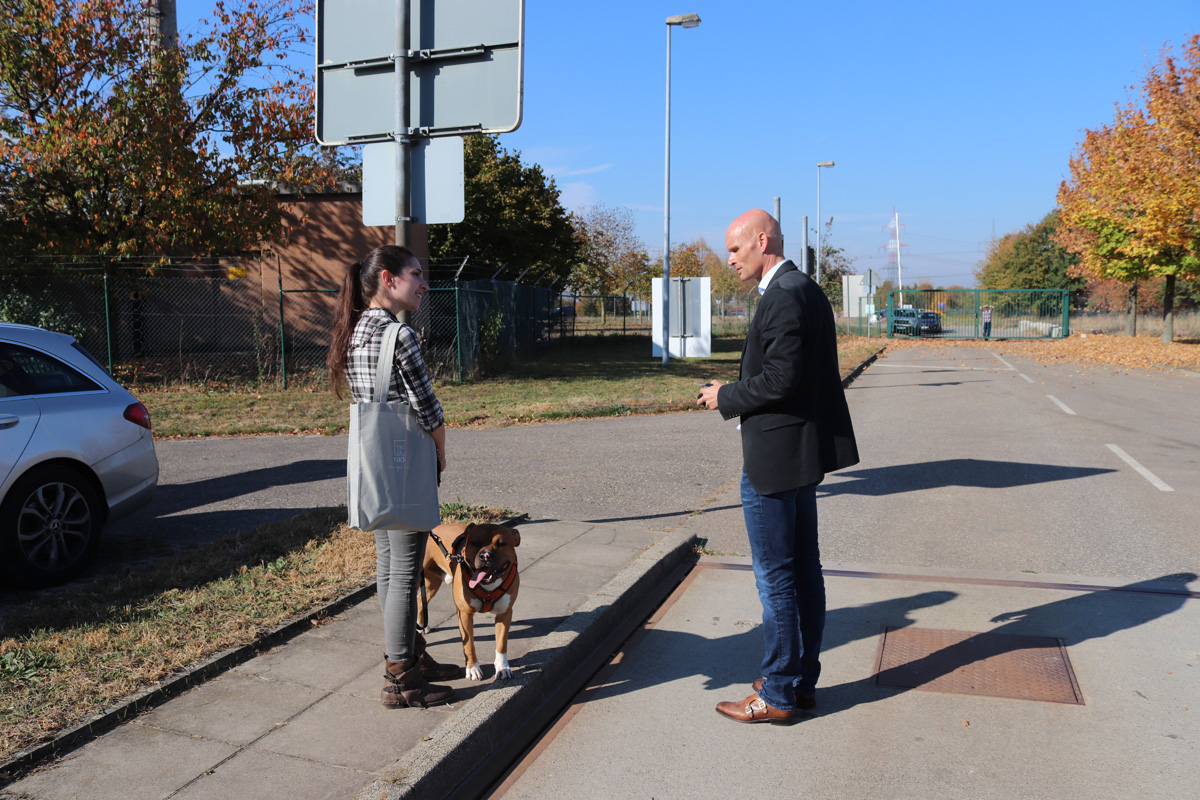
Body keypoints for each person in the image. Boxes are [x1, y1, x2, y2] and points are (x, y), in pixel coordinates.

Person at [697, 209, 859, 725]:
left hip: (775, 459)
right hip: (798, 455)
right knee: (803, 572)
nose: (730, 259)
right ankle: (799, 681)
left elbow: (782, 379)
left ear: (761, 241)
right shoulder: (805, 288)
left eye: (735, 249)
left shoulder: (784, 293)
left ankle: (781, 692)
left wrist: (726, 394)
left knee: (778, 577)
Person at [327, 244, 462, 708]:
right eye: (415, 274)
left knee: (390, 566)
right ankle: (401, 677)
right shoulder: (399, 336)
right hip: (406, 461)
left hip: (376, 464)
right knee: (405, 571)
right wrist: (442, 451)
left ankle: (411, 656)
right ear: (388, 279)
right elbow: (426, 407)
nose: (423, 283)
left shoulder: (356, 329)